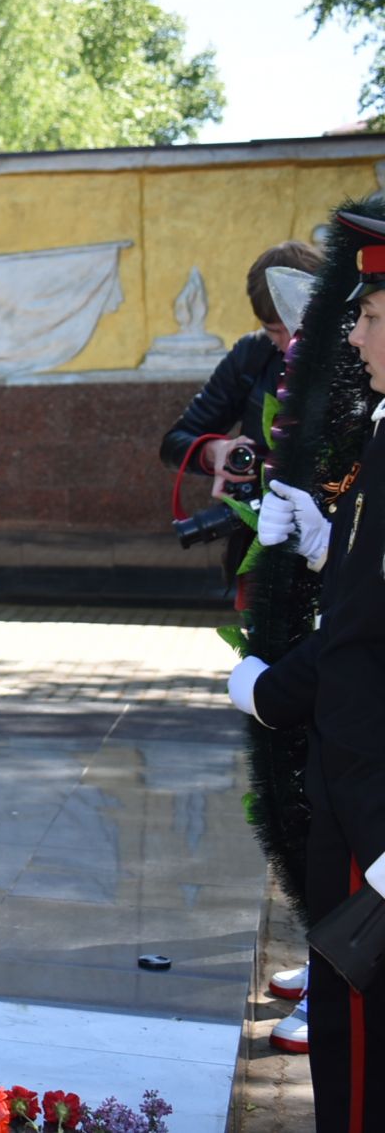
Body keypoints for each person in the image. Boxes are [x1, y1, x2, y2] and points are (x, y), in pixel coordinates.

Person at [228, 207, 385, 1132]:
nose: (356, 338)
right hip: (358, 778)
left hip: (372, 794)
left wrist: (267, 692)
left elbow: (365, 634)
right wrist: (331, 550)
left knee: (360, 1048)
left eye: (368, 317)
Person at [161, 241, 323, 585]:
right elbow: (175, 442)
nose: (286, 341)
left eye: (294, 326)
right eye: (272, 330)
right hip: (262, 548)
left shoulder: (360, 350)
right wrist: (216, 452)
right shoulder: (253, 354)